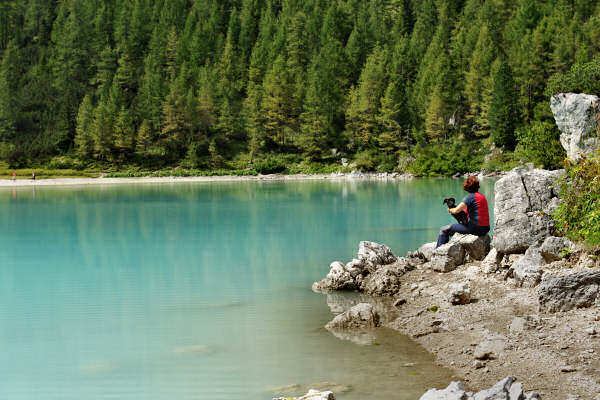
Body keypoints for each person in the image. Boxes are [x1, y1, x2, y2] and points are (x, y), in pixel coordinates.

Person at [436, 176, 490, 248]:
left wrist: (449, 210)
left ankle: (438, 252)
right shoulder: (482, 196)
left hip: (475, 228)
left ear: (467, 187)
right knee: (453, 228)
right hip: (486, 228)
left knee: (444, 229)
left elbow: (456, 210)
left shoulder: (469, 197)